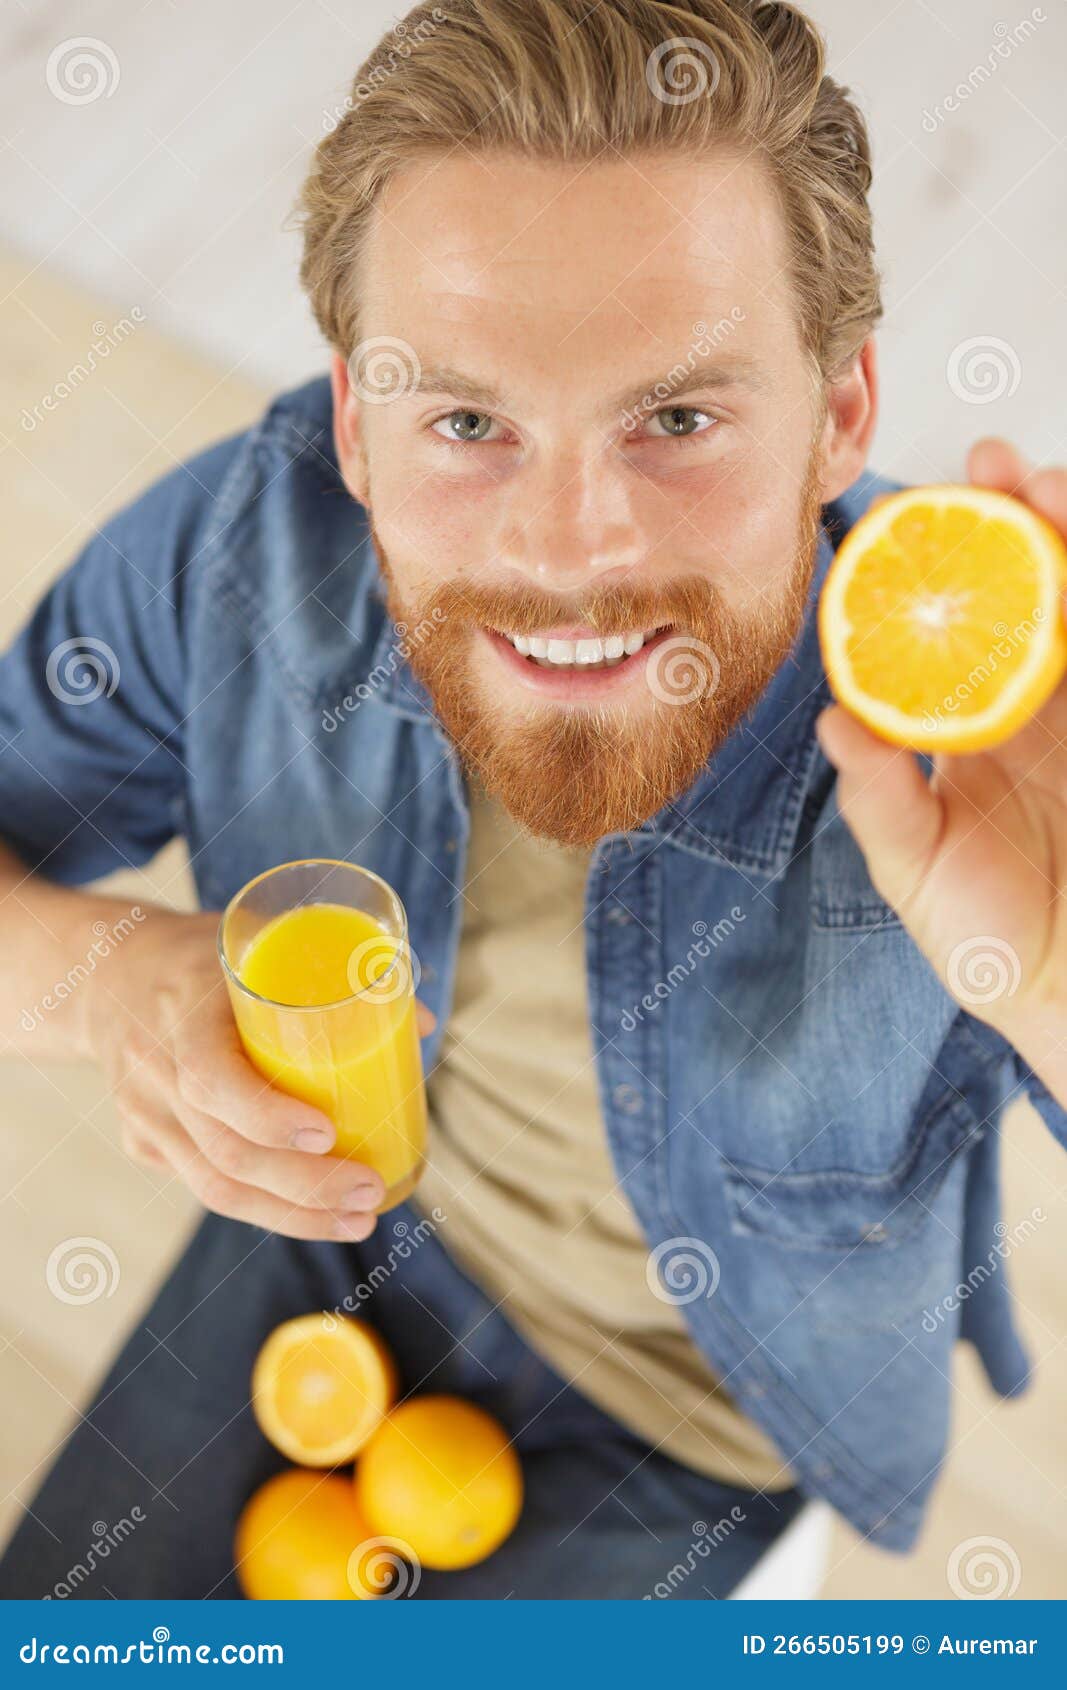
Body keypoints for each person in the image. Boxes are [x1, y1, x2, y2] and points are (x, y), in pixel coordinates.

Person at [1, 0, 1064, 1600]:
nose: (572, 552)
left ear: (842, 412)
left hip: (705, 1412)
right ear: (357, 422)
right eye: (469, 422)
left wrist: (1052, 973)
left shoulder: (982, 721)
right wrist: (101, 978)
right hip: (342, 1230)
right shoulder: (241, 552)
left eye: (682, 418)